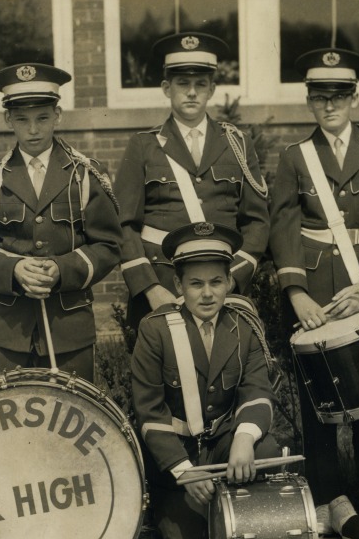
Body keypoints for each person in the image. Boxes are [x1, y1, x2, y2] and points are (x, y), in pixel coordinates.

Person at [269, 48, 359, 538]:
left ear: (355, 98)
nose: (330, 106)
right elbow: (283, 226)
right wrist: (296, 293)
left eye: (339, 96)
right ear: (309, 101)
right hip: (316, 292)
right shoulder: (295, 157)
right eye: (320, 97)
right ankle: (327, 498)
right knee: (318, 402)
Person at [131, 222, 280, 539]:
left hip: (222, 446)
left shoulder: (243, 327)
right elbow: (149, 413)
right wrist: (184, 470)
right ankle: (173, 524)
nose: (208, 294)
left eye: (216, 282)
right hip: (178, 458)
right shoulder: (155, 330)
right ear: (178, 286)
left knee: (266, 449)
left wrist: (243, 438)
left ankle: (238, 519)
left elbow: (257, 391)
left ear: (229, 282)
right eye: (196, 284)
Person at [0, 64, 122, 381]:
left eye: (42, 118)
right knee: (2, 410)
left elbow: (109, 245)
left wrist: (62, 269)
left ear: (57, 115)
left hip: (68, 330)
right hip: (5, 332)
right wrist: (13, 270)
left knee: (72, 410)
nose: (33, 129)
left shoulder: (84, 175)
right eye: (22, 119)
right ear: (8, 119)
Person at [113, 32, 269, 329]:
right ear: (166, 88)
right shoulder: (143, 146)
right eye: (183, 83)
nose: (192, 92)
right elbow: (123, 225)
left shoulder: (237, 144)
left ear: (212, 89)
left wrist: (232, 279)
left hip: (222, 287)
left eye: (200, 84)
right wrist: (150, 288)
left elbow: (256, 222)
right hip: (162, 285)